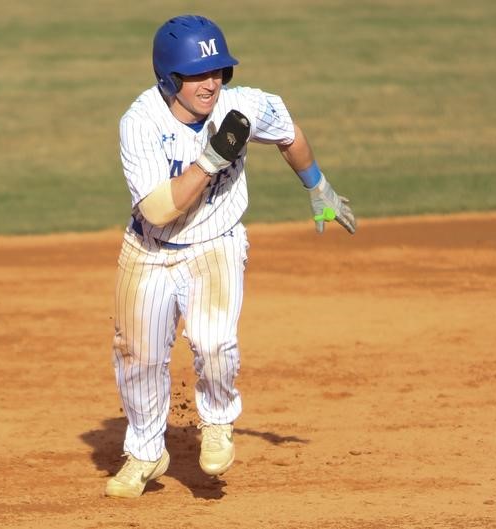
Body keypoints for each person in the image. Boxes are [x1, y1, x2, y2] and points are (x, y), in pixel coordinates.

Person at [105, 14, 355, 498]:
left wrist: (318, 185)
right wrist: (210, 162)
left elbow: (288, 132)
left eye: (219, 70)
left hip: (216, 245)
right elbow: (158, 210)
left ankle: (217, 422)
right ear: (168, 79)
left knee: (214, 342)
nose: (212, 82)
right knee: (137, 357)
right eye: (198, 74)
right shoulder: (140, 123)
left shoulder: (243, 107)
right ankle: (146, 451)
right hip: (149, 250)